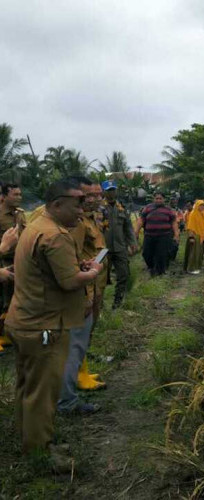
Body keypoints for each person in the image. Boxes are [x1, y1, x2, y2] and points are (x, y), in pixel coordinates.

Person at [6, 179, 102, 460]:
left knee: (28, 387)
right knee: (42, 395)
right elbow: (71, 281)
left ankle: (28, 440)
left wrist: (77, 266)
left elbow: (51, 270)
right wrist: (92, 272)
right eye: (77, 204)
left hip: (24, 321)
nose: (82, 211)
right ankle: (41, 452)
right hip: (44, 325)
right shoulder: (56, 235)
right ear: (57, 204)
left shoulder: (36, 226)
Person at [57, 177, 105, 413]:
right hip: (80, 288)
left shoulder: (88, 218)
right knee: (73, 344)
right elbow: (72, 262)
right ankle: (66, 399)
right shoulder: (72, 224)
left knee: (80, 341)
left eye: (98, 195)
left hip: (91, 283)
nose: (94, 199)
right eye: (89, 196)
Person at [101, 180, 138, 309]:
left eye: (113, 190)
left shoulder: (121, 207)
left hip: (120, 247)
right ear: (103, 192)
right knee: (101, 279)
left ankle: (117, 302)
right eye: (109, 190)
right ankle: (99, 305)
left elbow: (128, 227)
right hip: (102, 249)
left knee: (123, 275)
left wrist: (132, 242)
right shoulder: (99, 208)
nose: (111, 192)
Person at [0, 184, 26, 351]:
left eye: (20, 194)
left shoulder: (21, 214)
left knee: (14, 298)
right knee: (2, 298)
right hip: (2, 260)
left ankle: (6, 333)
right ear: (5, 195)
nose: (19, 197)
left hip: (19, 260)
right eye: (15, 194)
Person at [134, 192, 179, 276]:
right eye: (156, 198)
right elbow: (141, 220)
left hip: (164, 236)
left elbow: (174, 222)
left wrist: (176, 235)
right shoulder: (147, 208)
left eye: (160, 198)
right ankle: (151, 267)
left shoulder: (168, 210)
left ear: (164, 199)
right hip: (149, 236)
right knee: (146, 253)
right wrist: (136, 232)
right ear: (153, 199)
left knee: (161, 255)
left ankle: (159, 273)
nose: (158, 200)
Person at [183, 199, 204, 274]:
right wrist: (191, 237)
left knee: (199, 253)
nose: (202, 207)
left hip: (200, 236)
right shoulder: (193, 214)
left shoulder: (201, 214)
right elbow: (190, 227)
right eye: (201, 205)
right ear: (197, 206)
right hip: (194, 235)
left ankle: (197, 267)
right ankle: (191, 268)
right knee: (193, 253)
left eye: (203, 205)